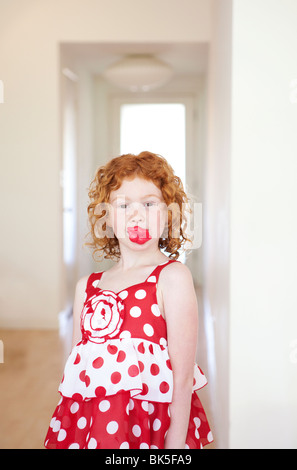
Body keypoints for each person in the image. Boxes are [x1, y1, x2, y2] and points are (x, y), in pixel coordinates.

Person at [44, 151, 213, 449]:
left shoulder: (171, 278)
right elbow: (75, 377)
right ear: (107, 217)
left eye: (149, 204)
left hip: (150, 434)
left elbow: (183, 379)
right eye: (123, 205)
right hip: (92, 432)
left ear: (168, 214)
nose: (137, 215)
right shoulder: (87, 287)